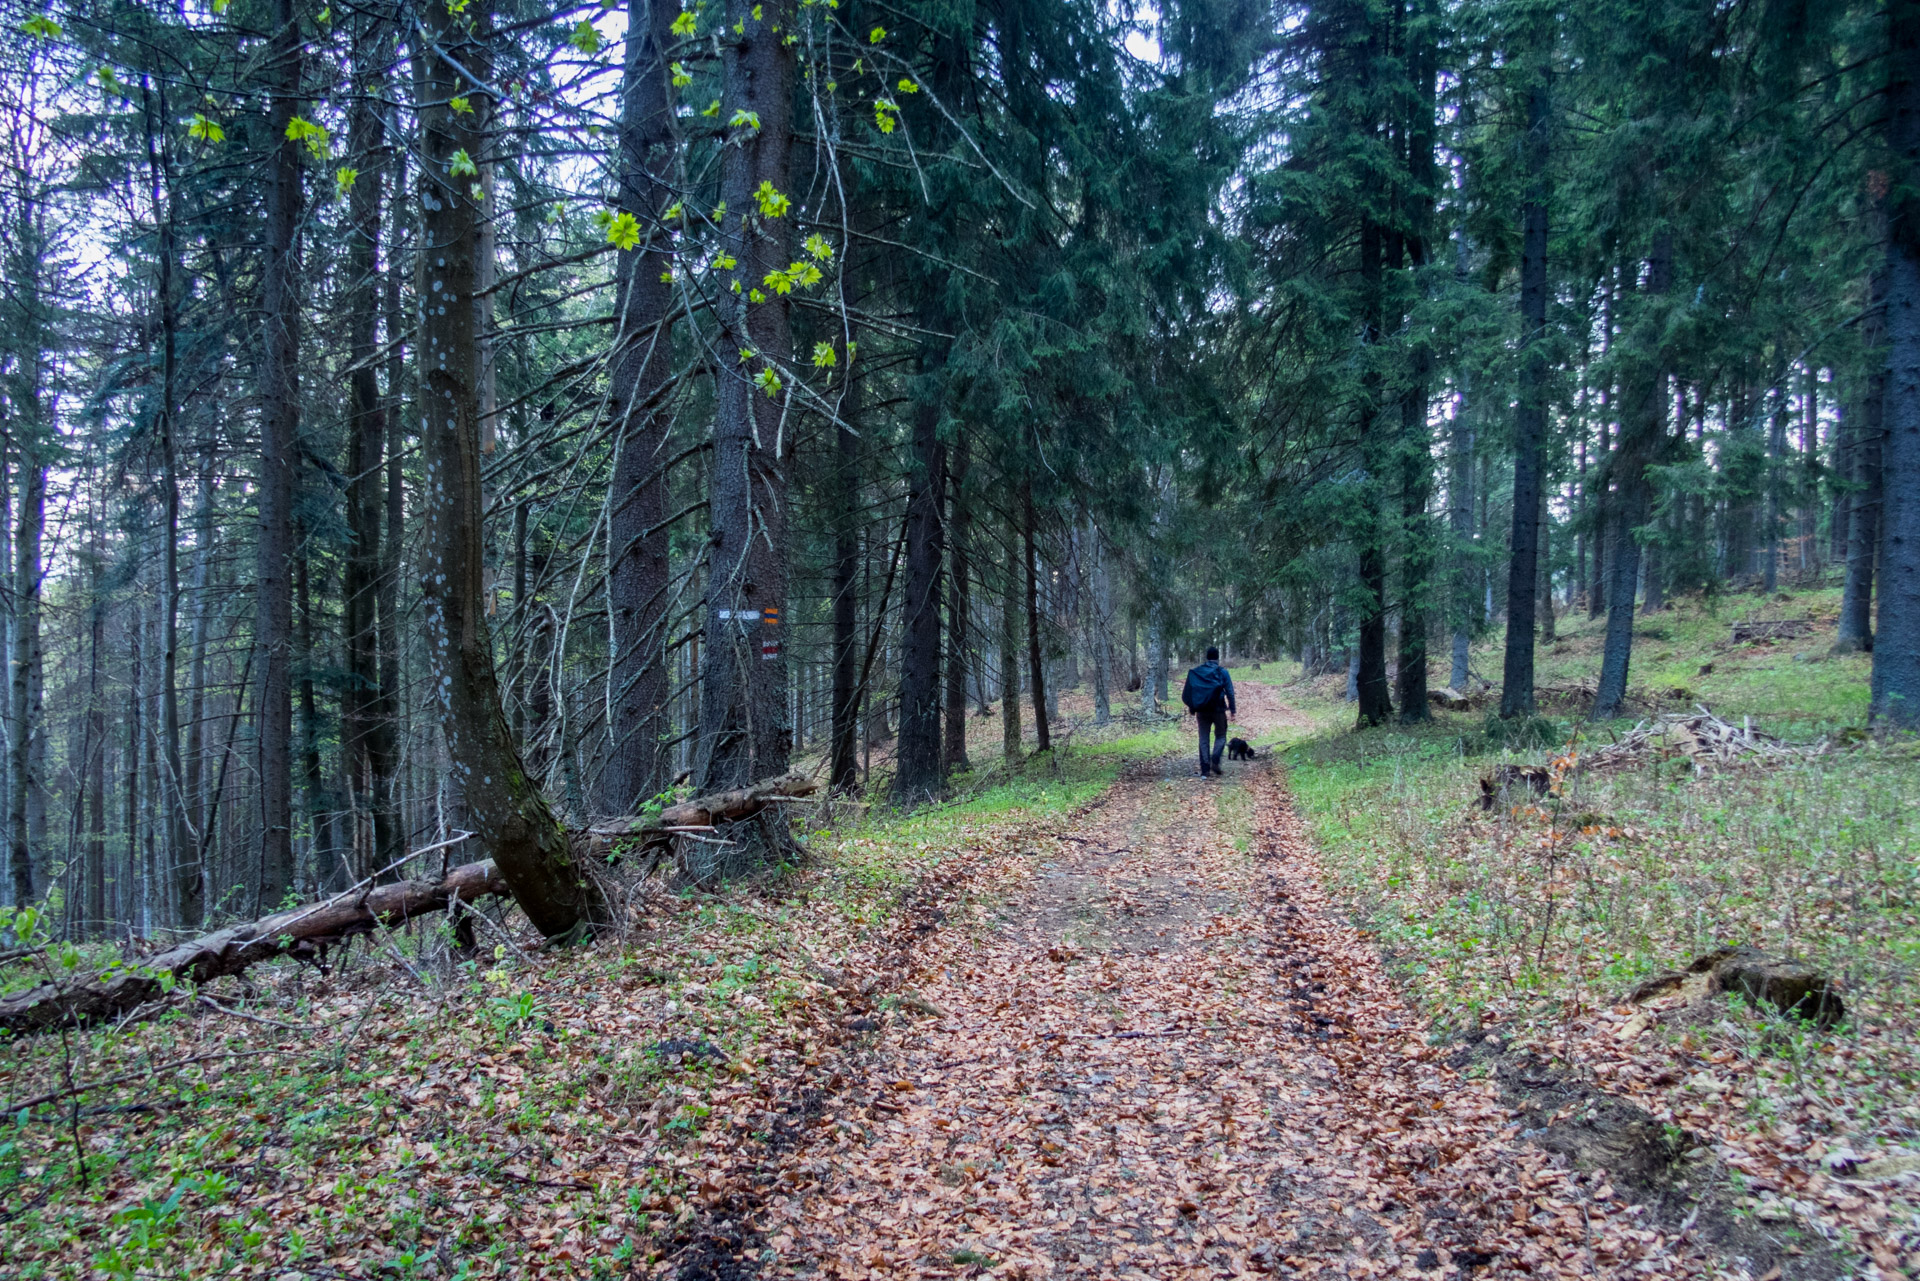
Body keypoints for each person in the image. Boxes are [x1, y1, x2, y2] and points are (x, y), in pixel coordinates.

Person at [1181, 646, 1236, 777]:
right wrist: (1232, 710)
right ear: (1217, 658)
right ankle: (1215, 758)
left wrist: (1192, 707)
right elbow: (1230, 692)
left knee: (1204, 738)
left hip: (1201, 710)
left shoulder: (1197, 672)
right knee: (1221, 736)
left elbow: (1191, 690)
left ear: (1207, 657)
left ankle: (1205, 768)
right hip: (1218, 709)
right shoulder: (1222, 672)